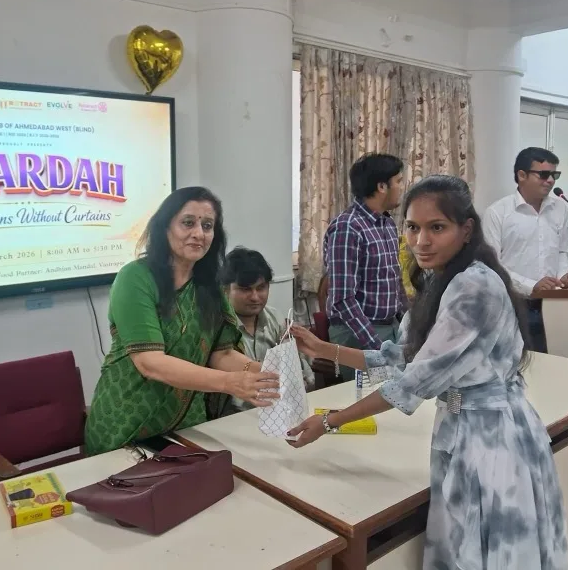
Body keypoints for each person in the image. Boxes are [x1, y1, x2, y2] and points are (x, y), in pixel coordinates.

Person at [288, 175, 568, 569]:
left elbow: (413, 382)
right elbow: (401, 357)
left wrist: (329, 422)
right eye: (412, 227)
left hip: (492, 439)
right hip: (462, 427)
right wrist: (325, 349)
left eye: (436, 228)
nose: (421, 241)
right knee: (464, 547)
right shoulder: (441, 279)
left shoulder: (474, 286)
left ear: (465, 230)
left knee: (487, 552)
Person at [84, 187, 280, 455]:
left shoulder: (209, 285)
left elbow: (220, 354)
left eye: (207, 226)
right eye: (188, 223)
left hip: (185, 425)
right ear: (165, 227)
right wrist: (230, 382)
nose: (199, 233)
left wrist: (262, 373)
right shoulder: (135, 278)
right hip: (126, 421)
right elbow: (150, 362)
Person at [483, 147, 568, 352]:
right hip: (514, 305)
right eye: (544, 174)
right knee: (520, 360)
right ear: (522, 175)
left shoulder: (559, 209)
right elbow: (492, 266)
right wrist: (532, 286)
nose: (550, 181)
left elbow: (561, 253)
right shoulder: (497, 213)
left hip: (554, 303)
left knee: (554, 357)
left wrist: (564, 276)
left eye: (554, 175)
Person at [323, 153, 407, 380]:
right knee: (368, 397)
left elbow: (394, 279)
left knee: (397, 393)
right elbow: (342, 299)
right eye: (398, 181)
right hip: (357, 333)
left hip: (390, 328)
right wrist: (376, 345)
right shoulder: (347, 228)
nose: (402, 187)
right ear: (382, 186)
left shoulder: (387, 224)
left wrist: (409, 322)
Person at [221, 247, 314, 410]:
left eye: (261, 288)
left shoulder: (276, 319)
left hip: (279, 411)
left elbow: (303, 375)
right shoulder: (216, 326)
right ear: (225, 289)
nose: (255, 297)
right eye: (245, 289)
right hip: (233, 415)